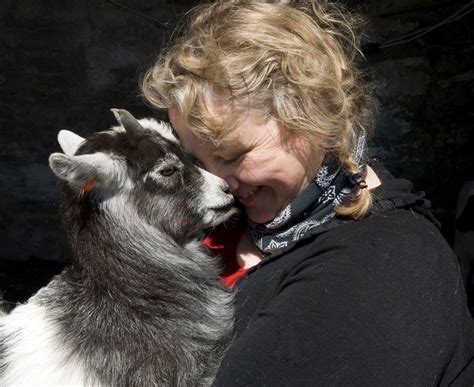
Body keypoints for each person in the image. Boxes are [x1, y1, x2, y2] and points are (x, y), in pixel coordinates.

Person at [141, 0, 474, 384]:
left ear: (311, 116)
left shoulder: (380, 269)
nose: (217, 182)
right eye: (197, 160)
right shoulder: (246, 221)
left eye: (233, 156)